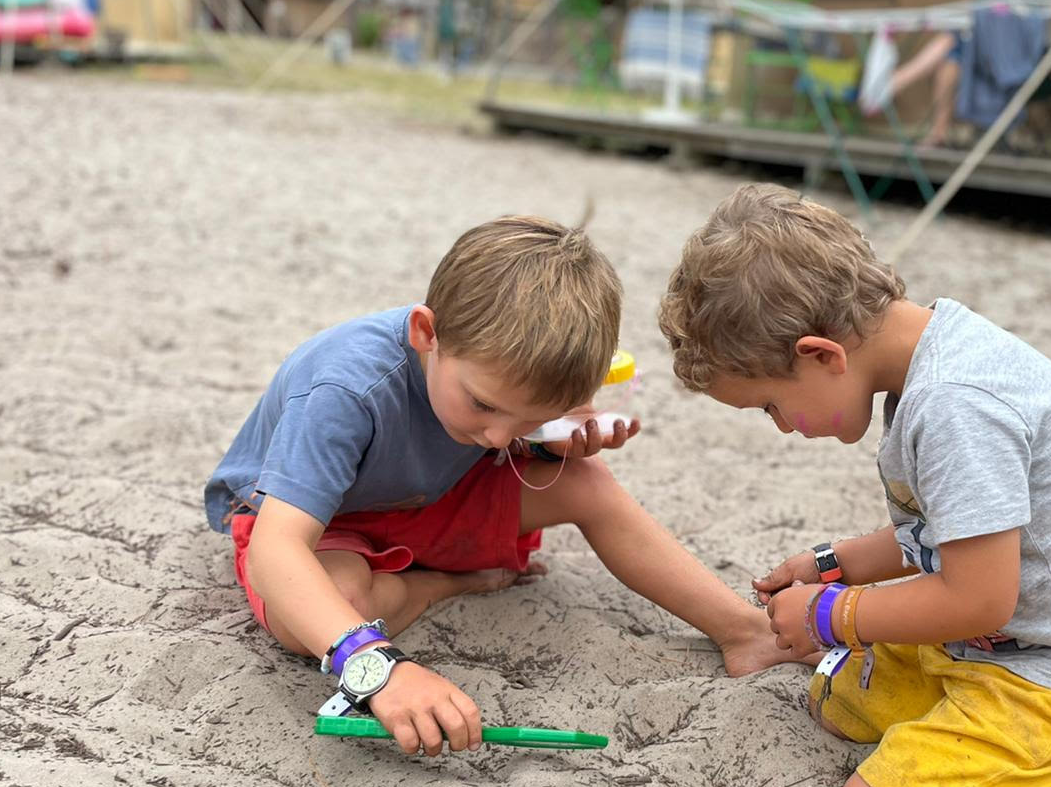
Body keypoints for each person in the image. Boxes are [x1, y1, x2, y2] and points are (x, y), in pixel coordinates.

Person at [658, 185, 1051, 787]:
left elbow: (977, 596)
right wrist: (832, 564)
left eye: (772, 406)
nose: (785, 427)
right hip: (999, 645)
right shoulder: (927, 361)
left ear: (821, 355)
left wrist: (834, 614)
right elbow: (948, 538)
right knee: (838, 697)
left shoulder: (959, 406)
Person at [206, 216, 793, 756]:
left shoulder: (492, 402)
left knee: (586, 481)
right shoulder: (344, 389)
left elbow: (507, 432)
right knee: (313, 618)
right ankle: (441, 583)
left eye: (529, 416)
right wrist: (377, 668)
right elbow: (277, 549)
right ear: (426, 333)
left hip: (431, 498)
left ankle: (743, 631)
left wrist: (550, 442)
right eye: (484, 405)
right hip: (323, 520)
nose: (496, 438)